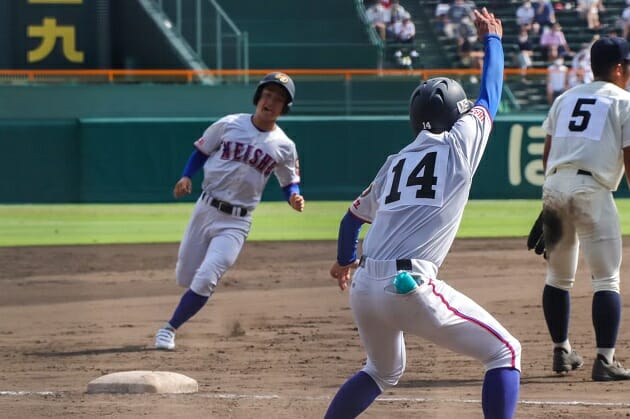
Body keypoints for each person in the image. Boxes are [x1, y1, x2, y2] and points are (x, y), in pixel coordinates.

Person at [324, 8, 521, 419]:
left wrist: (345, 261)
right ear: (454, 114)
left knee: (381, 370)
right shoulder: (459, 144)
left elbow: (350, 220)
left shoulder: (394, 161)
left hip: (364, 290)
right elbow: (490, 97)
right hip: (409, 284)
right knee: (505, 352)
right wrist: (493, 40)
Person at [153, 72, 306, 350]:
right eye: (268, 95)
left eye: (279, 98)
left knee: (207, 276)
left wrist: (294, 197)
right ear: (259, 97)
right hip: (205, 208)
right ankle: (185, 305)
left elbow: (289, 182)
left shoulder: (284, 146)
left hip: (236, 222)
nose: (270, 101)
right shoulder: (229, 124)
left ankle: (168, 329)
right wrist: (186, 176)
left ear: (285, 108)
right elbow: (201, 151)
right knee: (185, 277)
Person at [538, 36, 630, 381]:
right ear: (619, 67)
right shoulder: (624, 101)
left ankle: (562, 350)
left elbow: (549, 154)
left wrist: (548, 199)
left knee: (557, 277)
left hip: (555, 187)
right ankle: (604, 360)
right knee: (606, 278)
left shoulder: (565, 98)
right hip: (592, 188)